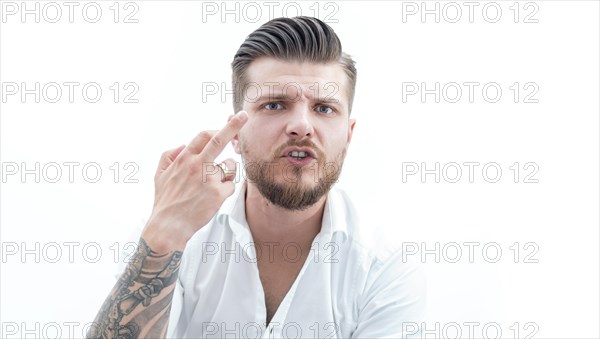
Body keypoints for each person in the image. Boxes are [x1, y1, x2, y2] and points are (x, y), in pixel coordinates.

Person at [88, 16, 425, 338]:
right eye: (275, 105)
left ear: (348, 136)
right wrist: (162, 237)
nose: (302, 126)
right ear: (235, 133)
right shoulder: (178, 238)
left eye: (324, 108)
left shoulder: (382, 266)